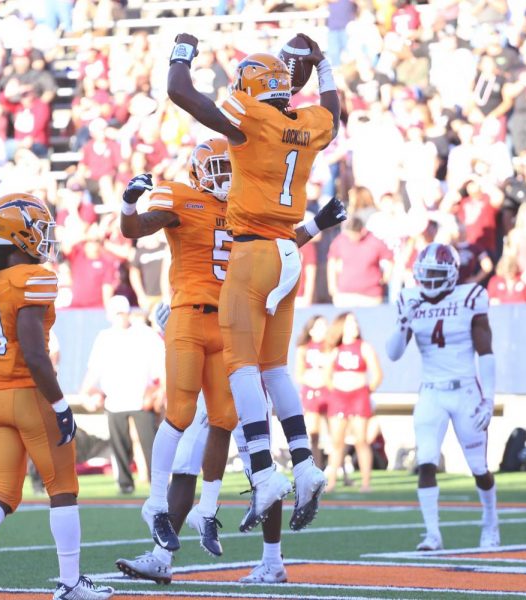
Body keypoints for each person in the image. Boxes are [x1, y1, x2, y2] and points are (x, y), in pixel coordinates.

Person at [116, 140, 344, 554]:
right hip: (190, 315)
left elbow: (277, 245)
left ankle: (212, 519)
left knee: (229, 424)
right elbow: (136, 228)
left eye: (229, 167)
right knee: (182, 416)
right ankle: (157, 510)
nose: (224, 175)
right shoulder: (181, 198)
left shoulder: (244, 208)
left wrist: (316, 225)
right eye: (216, 167)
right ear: (197, 173)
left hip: (233, 326)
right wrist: (129, 204)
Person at [167, 31, 342, 532]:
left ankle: (264, 471)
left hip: (254, 252)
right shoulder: (307, 123)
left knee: (242, 368)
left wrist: (183, 50)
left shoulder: (253, 120)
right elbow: (331, 108)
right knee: (275, 370)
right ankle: (305, 464)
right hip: (290, 251)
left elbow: (181, 92)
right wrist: (322, 63)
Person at [0, 193, 112, 600]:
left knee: (2, 494)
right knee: (63, 488)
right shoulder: (32, 278)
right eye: (40, 229)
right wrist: (61, 404)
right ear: (19, 234)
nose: (46, 238)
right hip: (28, 396)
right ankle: (70, 584)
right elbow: (35, 354)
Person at [385, 242, 500, 550]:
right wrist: (402, 323)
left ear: (451, 275)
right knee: (425, 462)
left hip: (465, 390)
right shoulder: (409, 298)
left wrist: (488, 398)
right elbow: (394, 354)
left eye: (437, 273)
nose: (430, 280)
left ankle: (491, 522)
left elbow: (485, 351)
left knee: (478, 467)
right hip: (432, 392)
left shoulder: (471, 296)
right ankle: (432, 533)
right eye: (427, 273)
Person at [116, 399, 289, 585]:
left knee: (262, 474)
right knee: (183, 464)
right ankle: (161, 558)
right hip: (204, 389)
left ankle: (273, 562)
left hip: (244, 382)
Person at [80, 294, 162, 496]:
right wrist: (86, 391)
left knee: (150, 444)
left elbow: (160, 364)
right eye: (116, 313)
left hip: (142, 397)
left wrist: (161, 391)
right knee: (120, 445)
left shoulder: (144, 334)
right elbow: (94, 369)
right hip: (115, 399)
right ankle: (125, 484)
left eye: (122, 313)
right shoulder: (104, 337)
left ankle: (158, 485)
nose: (120, 317)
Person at [324, 312, 383, 493]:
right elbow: (327, 376)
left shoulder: (364, 347)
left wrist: (365, 391)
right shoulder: (335, 350)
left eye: (356, 323)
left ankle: (366, 484)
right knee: (337, 442)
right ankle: (331, 482)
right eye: (350, 323)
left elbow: (377, 374)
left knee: (361, 441)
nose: (355, 326)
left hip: (359, 397)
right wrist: (337, 390)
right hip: (339, 398)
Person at [294, 316, 331, 470]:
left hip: (328, 392)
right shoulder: (303, 349)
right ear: (311, 329)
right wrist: (313, 381)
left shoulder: (331, 348)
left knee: (335, 436)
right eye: (320, 325)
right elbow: (299, 374)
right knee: (313, 435)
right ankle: (317, 467)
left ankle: (340, 470)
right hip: (311, 393)